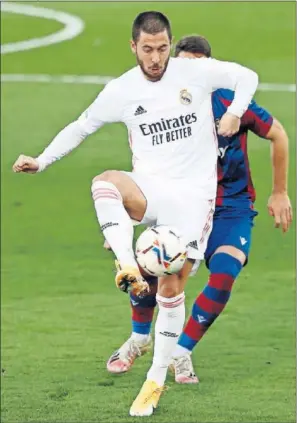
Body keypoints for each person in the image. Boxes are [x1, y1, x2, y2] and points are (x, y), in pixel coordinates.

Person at [12, 12, 259, 417]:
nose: (156, 57)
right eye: (148, 49)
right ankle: (126, 265)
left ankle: (155, 380)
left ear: (170, 43)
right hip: (150, 187)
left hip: (193, 200)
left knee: (170, 288)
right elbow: (81, 126)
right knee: (105, 181)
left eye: (163, 47)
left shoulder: (193, 73)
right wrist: (41, 161)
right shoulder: (121, 90)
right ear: (133, 47)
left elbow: (245, 75)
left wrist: (236, 110)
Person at [106, 35, 292, 386]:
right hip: (182, 200)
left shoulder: (232, 102)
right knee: (151, 268)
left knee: (225, 271)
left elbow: (278, 134)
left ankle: (182, 351)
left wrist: (279, 192)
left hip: (230, 206)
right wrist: (128, 221)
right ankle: (139, 337)